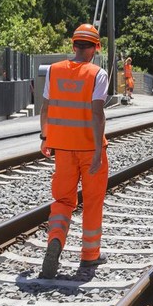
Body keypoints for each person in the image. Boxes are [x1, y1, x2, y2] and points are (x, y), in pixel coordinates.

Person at [39, 24, 110, 277]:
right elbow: (97, 113)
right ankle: (89, 256)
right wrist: (98, 151)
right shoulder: (97, 74)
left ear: (74, 45)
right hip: (90, 149)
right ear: (95, 48)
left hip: (63, 150)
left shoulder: (54, 71)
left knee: (63, 200)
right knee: (92, 202)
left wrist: (45, 137)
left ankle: (55, 240)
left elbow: (45, 108)